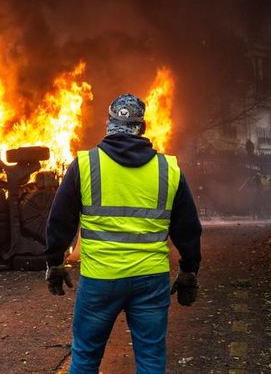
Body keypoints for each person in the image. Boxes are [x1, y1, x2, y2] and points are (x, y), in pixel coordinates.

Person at [44, 93, 202, 374]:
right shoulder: (168, 169)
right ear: (142, 128)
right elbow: (188, 228)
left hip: (100, 281)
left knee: (85, 357)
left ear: (109, 124)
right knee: (151, 360)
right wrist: (189, 271)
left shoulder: (85, 165)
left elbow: (59, 221)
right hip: (151, 280)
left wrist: (55, 263)